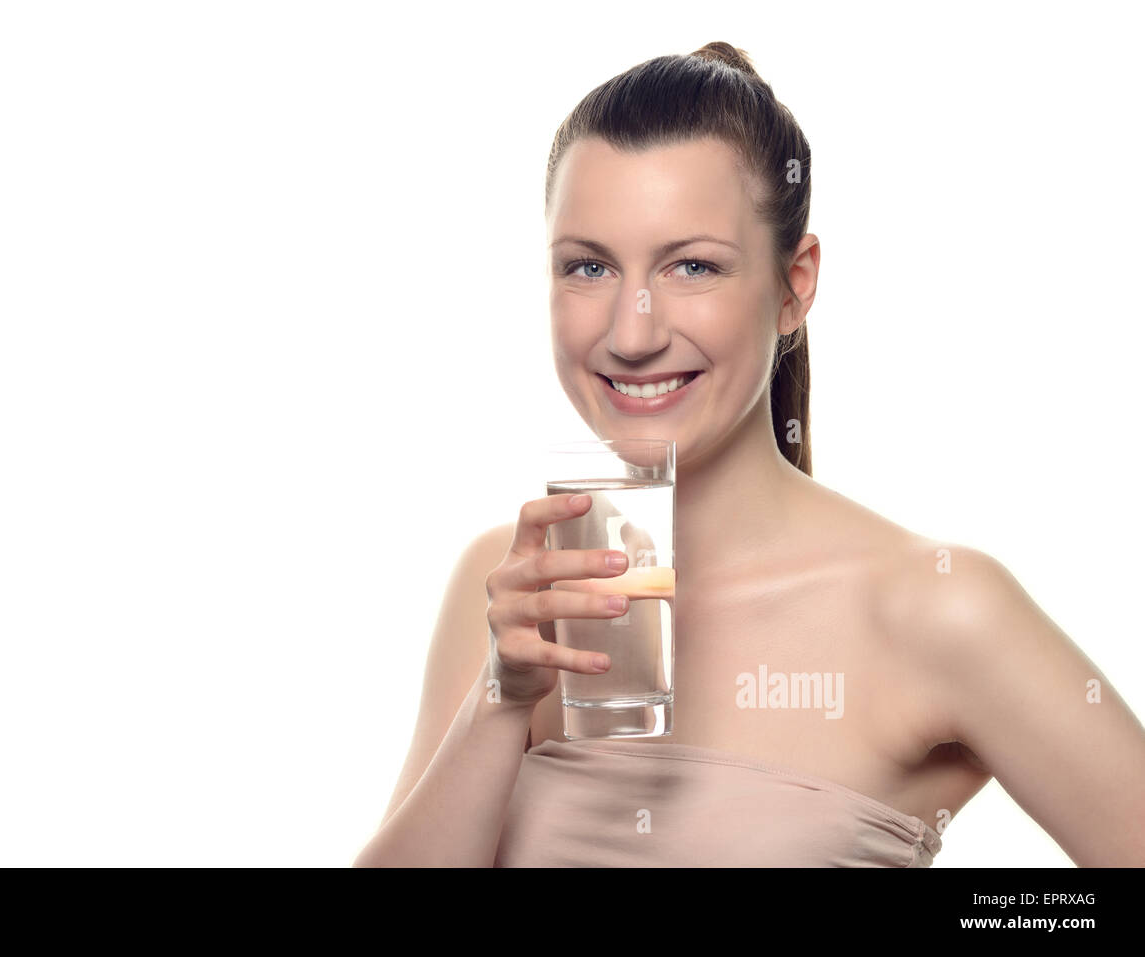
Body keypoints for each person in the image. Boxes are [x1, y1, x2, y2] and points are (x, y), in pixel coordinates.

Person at [352, 42, 1145, 867]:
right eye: (588, 266)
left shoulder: (937, 607)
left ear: (794, 286)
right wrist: (499, 700)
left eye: (692, 265)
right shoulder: (513, 585)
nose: (633, 333)